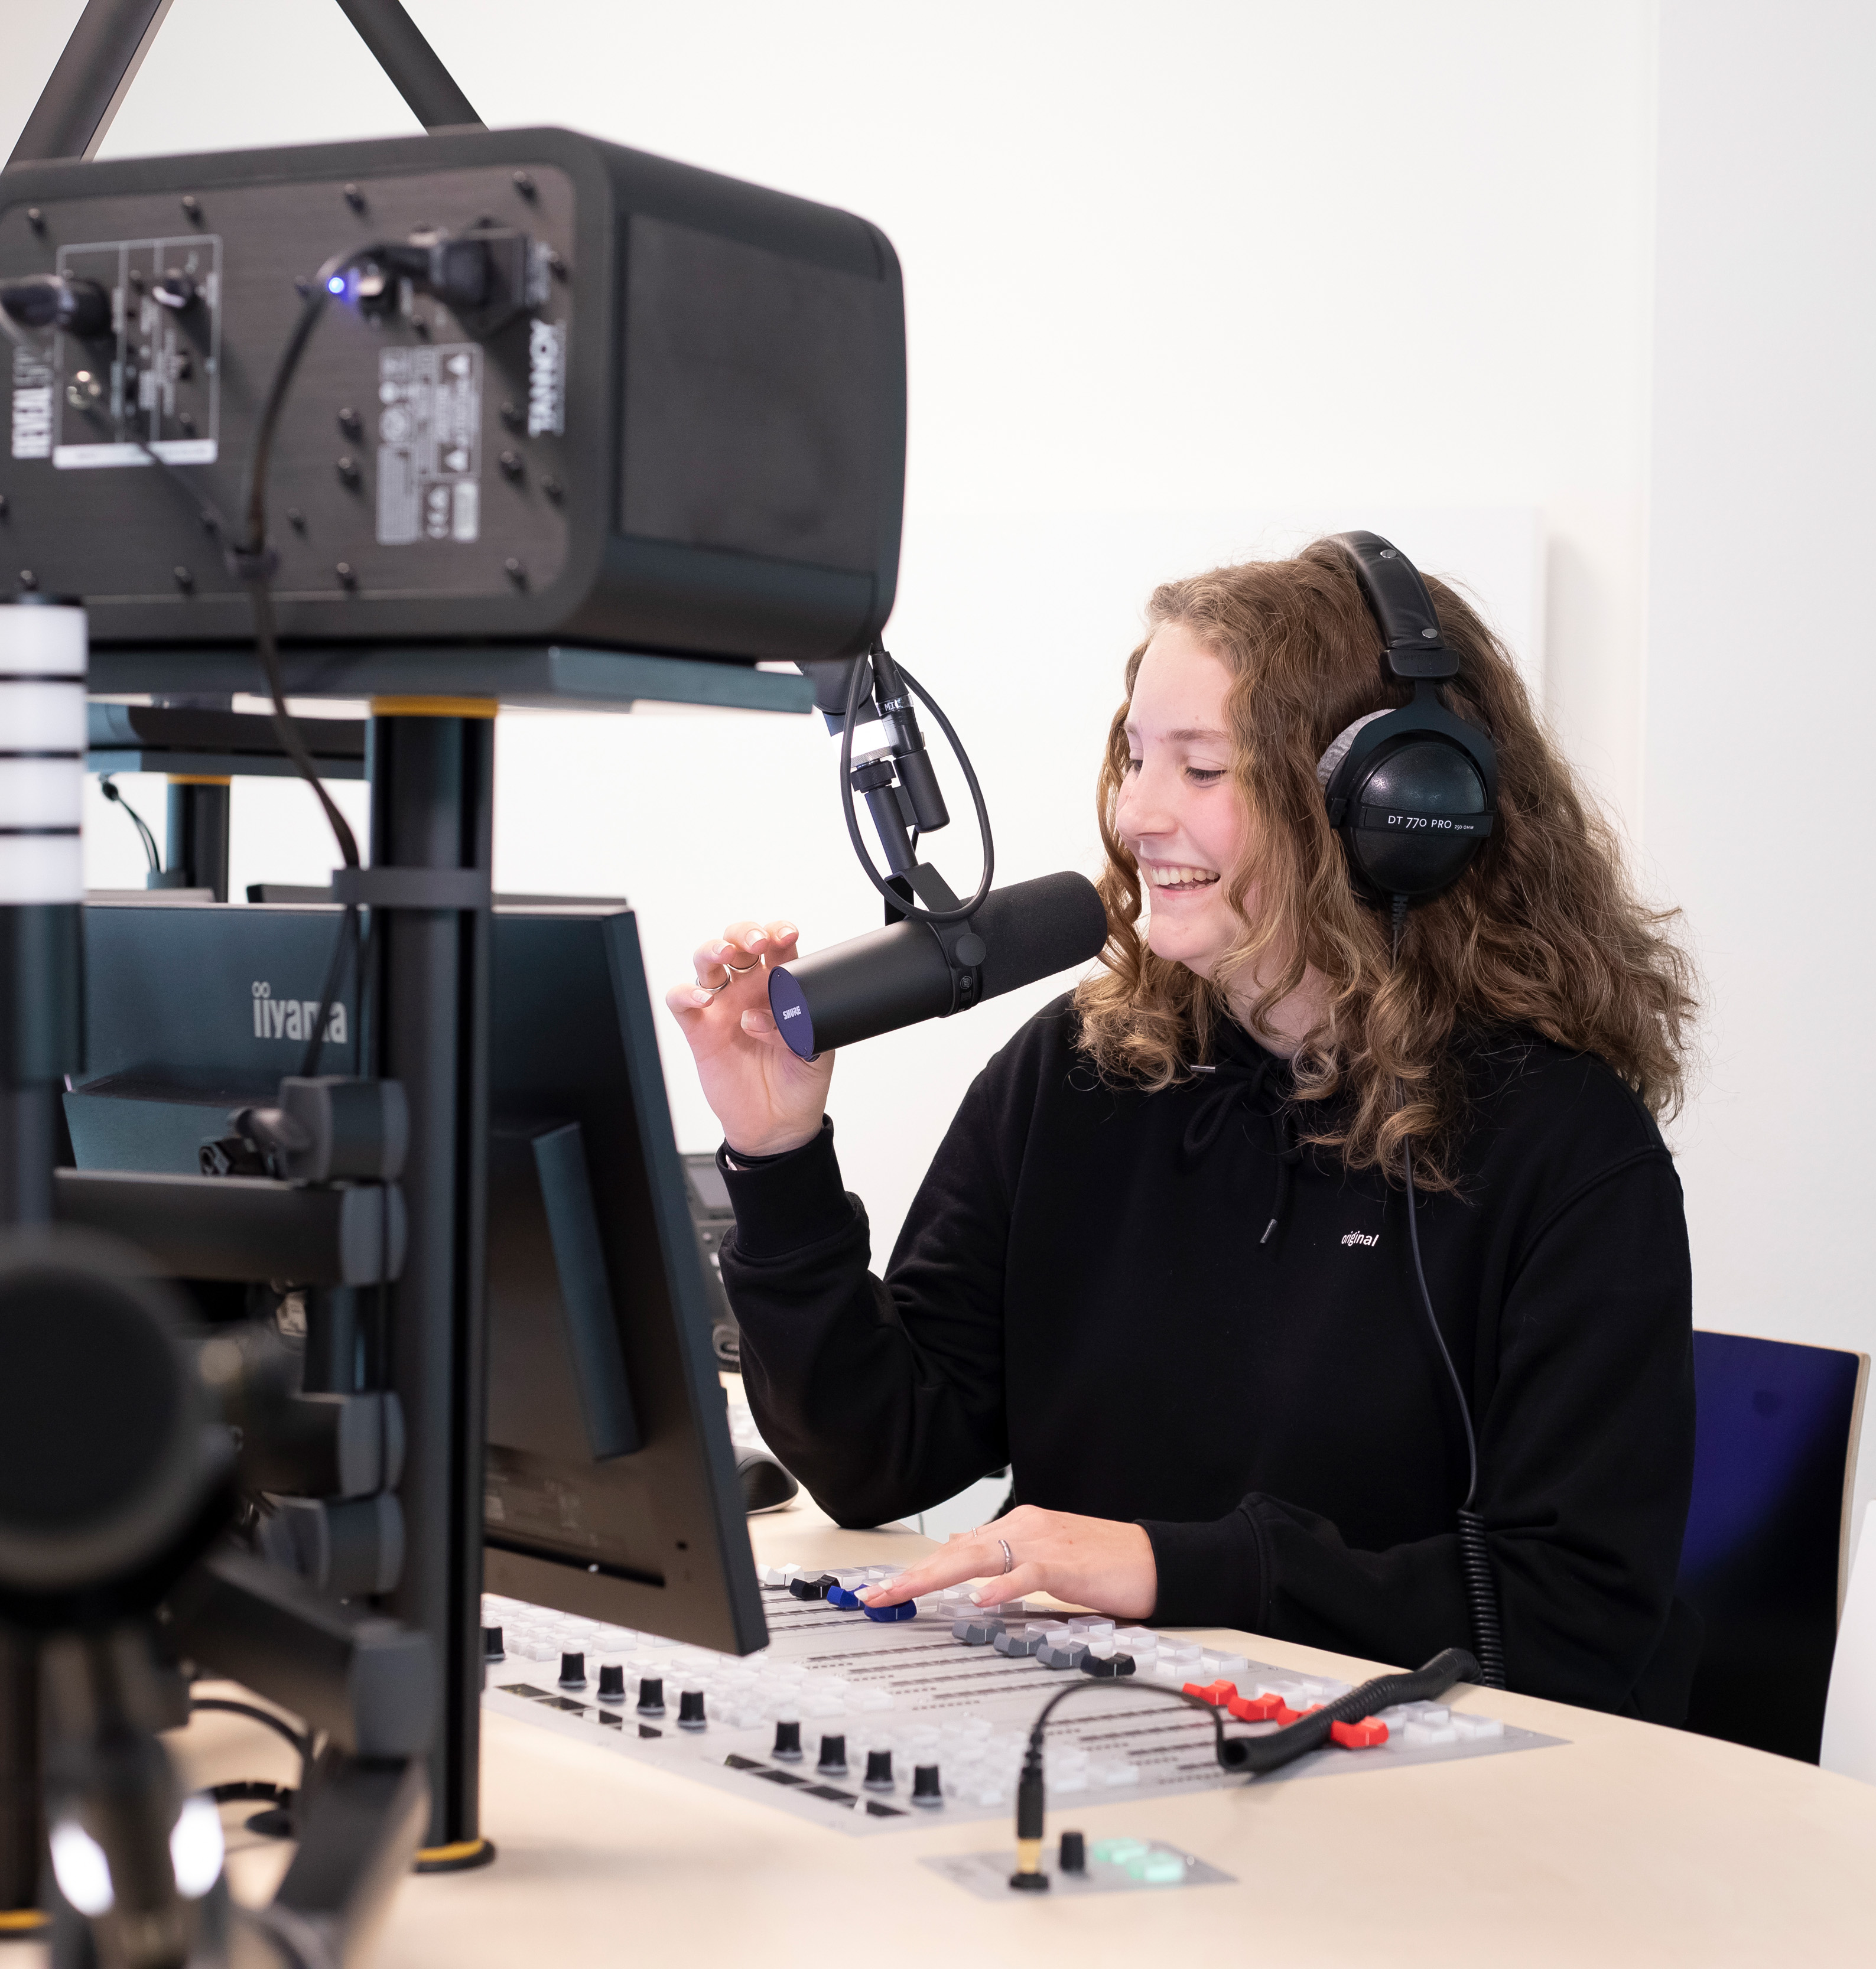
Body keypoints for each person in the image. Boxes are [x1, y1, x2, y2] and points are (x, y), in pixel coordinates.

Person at [666, 538, 1702, 1716]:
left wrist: (1172, 1567)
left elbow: (1576, 1614)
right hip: (1108, 1733)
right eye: (1134, 757)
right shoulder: (1081, 1068)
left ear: (1388, 808)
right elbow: (877, 1456)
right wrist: (778, 1153)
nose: (1134, 813)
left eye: (1202, 768)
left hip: (1410, 1805)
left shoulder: (1566, 1147)